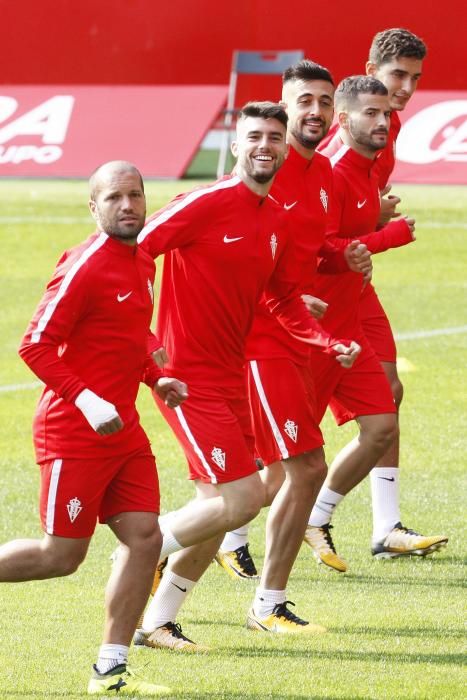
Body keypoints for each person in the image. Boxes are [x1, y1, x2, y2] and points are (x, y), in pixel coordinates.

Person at [131, 102, 364, 649]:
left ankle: (157, 622)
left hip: (234, 379)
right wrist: (145, 339)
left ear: (285, 150)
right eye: (255, 136)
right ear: (237, 145)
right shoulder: (204, 202)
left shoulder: (274, 219)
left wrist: (327, 342)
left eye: (274, 139)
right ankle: (144, 544)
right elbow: (134, 250)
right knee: (242, 500)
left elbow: (282, 299)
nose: (265, 146)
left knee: (218, 512)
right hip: (186, 380)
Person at [0, 161, 187, 696]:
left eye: (135, 194)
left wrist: (155, 376)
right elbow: (33, 344)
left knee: (145, 537)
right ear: (94, 206)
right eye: (114, 198)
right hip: (73, 432)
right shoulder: (85, 266)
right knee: (61, 557)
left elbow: (130, 330)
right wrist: (85, 398)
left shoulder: (142, 260)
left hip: (123, 433)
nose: (127, 206)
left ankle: (110, 670)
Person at [310, 30, 448, 567]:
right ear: (372, 67)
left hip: (357, 288)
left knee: (388, 394)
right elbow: (321, 245)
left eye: (415, 79)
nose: (407, 90)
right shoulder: (339, 153)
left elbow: (357, 216)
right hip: (320, 299)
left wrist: (377, 214)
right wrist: (385, 231)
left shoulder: (386, 128)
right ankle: (226, 535)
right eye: (398, 76)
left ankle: (384, 525)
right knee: (291, 429)